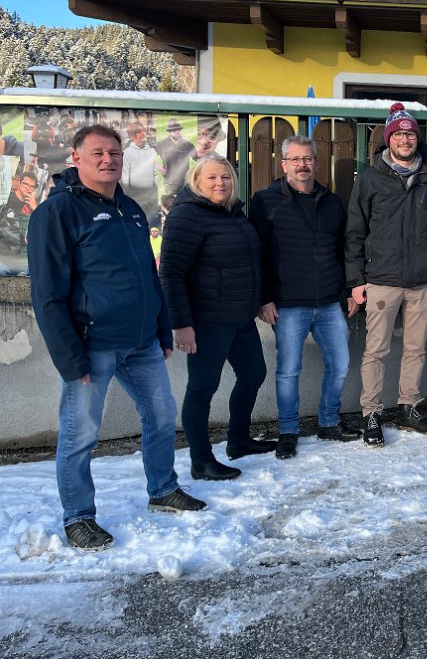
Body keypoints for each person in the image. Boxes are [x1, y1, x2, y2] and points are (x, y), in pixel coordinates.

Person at [27, 124, 205, 553]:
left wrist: (161, 329)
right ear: (76, 158)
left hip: (142, 342)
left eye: (114, 153)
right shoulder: (57, 212)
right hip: (92, 346)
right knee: (80, 434)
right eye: (98, 153)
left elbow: (148, 275)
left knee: (161, 417)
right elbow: (47, 295)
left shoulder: (130, 209)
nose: (108, 160)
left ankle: (163, 489)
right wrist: (70, 358)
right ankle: (78, 517)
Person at [345, 102, 427, 447]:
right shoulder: (370, 178)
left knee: (415, 348)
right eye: (398, 134)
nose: (405, 139)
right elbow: (355, 232)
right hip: (382, 280)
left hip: (424, 280)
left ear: (416, 139)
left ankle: (409, 407)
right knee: (375, 351)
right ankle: (371, 413)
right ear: (388, 138)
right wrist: (356, 280)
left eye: (410, 134)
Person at [158, 156, 273, 480]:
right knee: (202, 388)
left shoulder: (233, 213)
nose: (220, 183)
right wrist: (181, 324)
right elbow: (171, 273)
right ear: (196, 180)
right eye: (211, 178)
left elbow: (251, 262)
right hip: (207, 320)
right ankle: (201, 461)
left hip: (240, 317)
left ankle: (239, 441)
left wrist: (260, 300)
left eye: (225, 177)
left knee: (253, 374)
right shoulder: (187, 215)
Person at [249, 136, 362, 460]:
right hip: (287, 304)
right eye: (295, 159)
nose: (302, 165)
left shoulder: (332, 202)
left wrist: (347, 292)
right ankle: (288, 431)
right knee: (288, 371)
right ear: (284, 164)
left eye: (308, 159)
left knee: (340, 364)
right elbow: (257, 254)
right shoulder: (265, 201)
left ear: (316, 162)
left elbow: (342, 251)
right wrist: (264, 299)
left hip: (328, 302)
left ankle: (329, 421)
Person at [121, 121, 159, 220]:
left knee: (151, 220)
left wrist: (155, 189)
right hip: (134, 195)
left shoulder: (152, 151)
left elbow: (155, 173)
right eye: (139, 132)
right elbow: (125, 177)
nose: (144, 133)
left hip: (150, 195)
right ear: (132, 135)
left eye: (144, 131)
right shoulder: (127, 152)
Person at [156, 118, 195, 196]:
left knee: (185, 200)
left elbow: (199, 159)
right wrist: (161, 169)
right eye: (174, 130)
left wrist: (193, 172)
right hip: (170, 181)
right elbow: (149, 157)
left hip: (185, 180)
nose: (177, 132)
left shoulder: (188, 144)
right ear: (169, 132)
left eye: (179, 129)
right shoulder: (162, 144)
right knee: (171, 201)